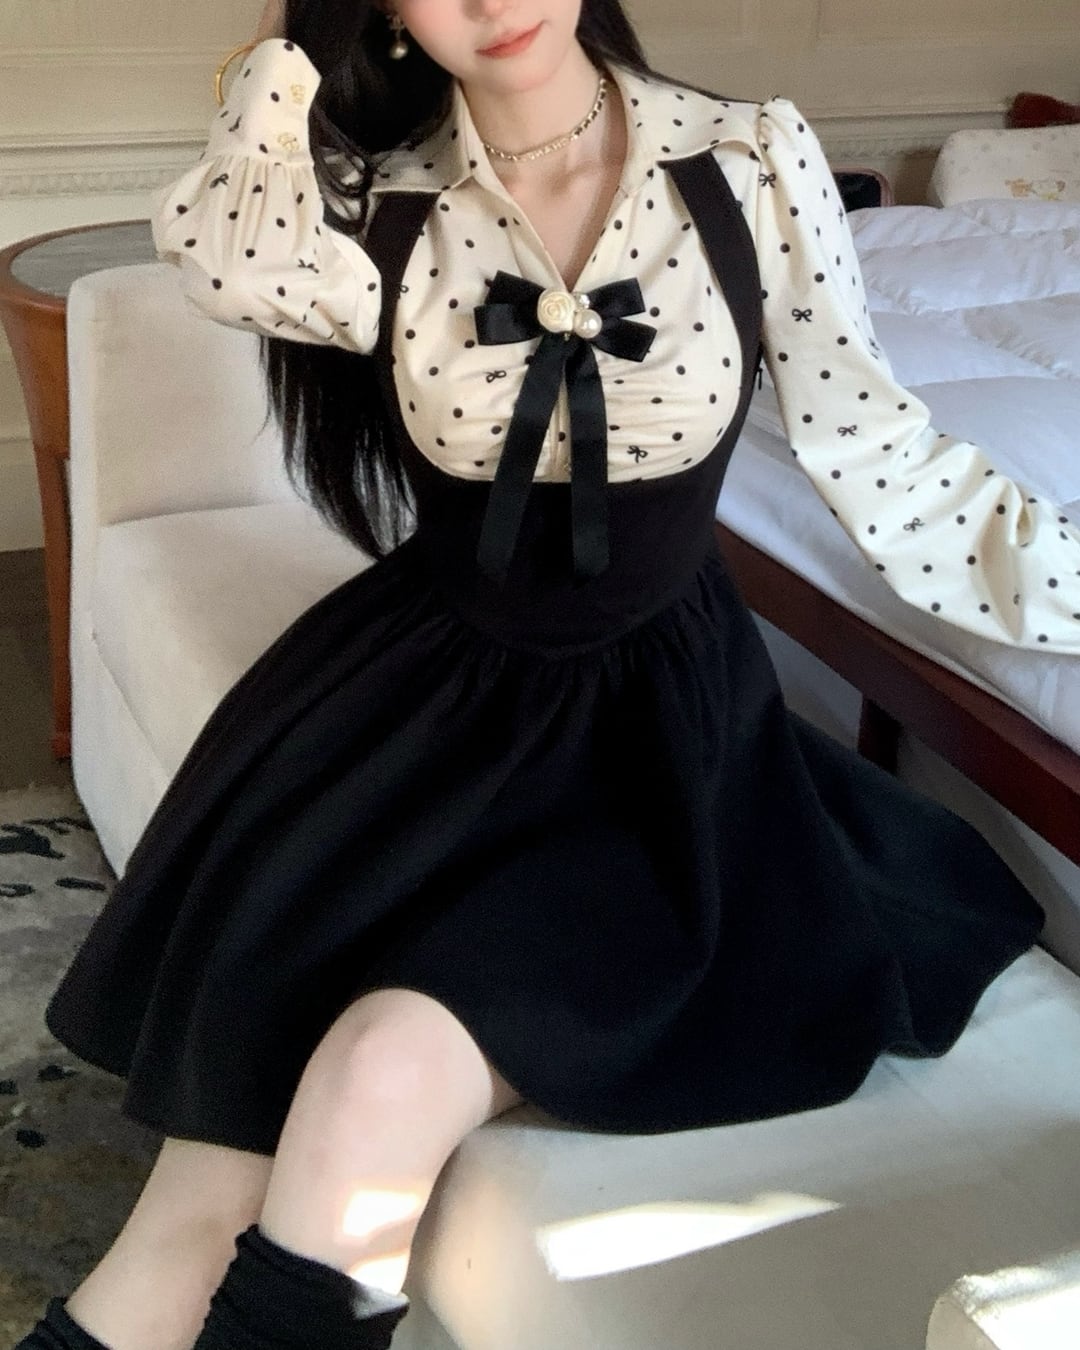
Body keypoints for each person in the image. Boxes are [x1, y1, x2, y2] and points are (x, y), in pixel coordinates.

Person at [15, 1, 1080, 1348]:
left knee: (377, 1070)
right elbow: (228, 258)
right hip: (413, 723)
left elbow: (888, 457)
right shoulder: (381, 202)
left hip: (657, 755)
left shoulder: (745, 161)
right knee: (200, 1181)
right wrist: (284, 58)